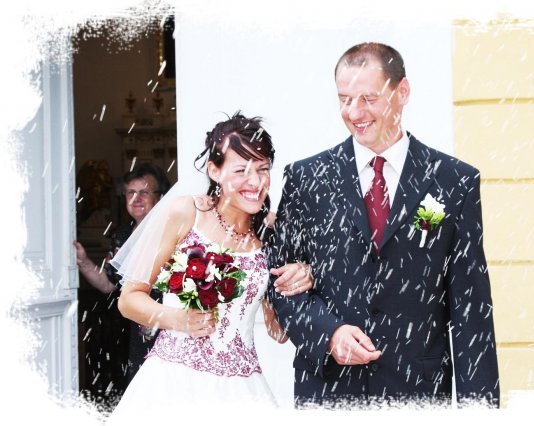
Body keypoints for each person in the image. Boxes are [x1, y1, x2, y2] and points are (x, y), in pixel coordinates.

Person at [268, 42, 500, 408]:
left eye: (368, 99)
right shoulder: (306, 178)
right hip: (329, 395)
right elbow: (279, 283)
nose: (354, 112)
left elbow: (471, 309)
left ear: (402, 91)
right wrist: (328, 334)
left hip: (418, 394)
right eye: (345, 99)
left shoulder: (454, 182)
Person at [107, 112, 312, 421]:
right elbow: (129, 299)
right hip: (173, 384)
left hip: (243, 391)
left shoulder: (271, 234)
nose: (255, 181)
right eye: (241, 170)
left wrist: (299, 280)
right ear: (215, 171)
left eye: (263, 168)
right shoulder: (186, 213)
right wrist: (178, 319)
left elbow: (278, 334)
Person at [74, 163, 171, 386]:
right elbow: (108, 284)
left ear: (159, 197)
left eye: (144, 192)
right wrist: (83, 261)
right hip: (136, 328)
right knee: (141, 386)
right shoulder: (123, 235)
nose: (136, 198)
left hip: (168, 323)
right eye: (130, 192)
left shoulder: (170, 231)